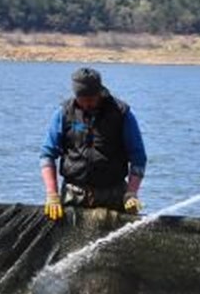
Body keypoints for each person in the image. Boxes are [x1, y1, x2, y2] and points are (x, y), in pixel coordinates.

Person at [39, 67, 147, 221]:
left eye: (91, 99)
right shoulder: (64, 114)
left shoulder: (121, 114)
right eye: (82, 99)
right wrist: (52, 194)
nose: (87, 104)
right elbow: (47, 155)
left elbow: (138, 158)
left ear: (100, 93)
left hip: (113, 196)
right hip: (74, 195)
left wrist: (131, 193)